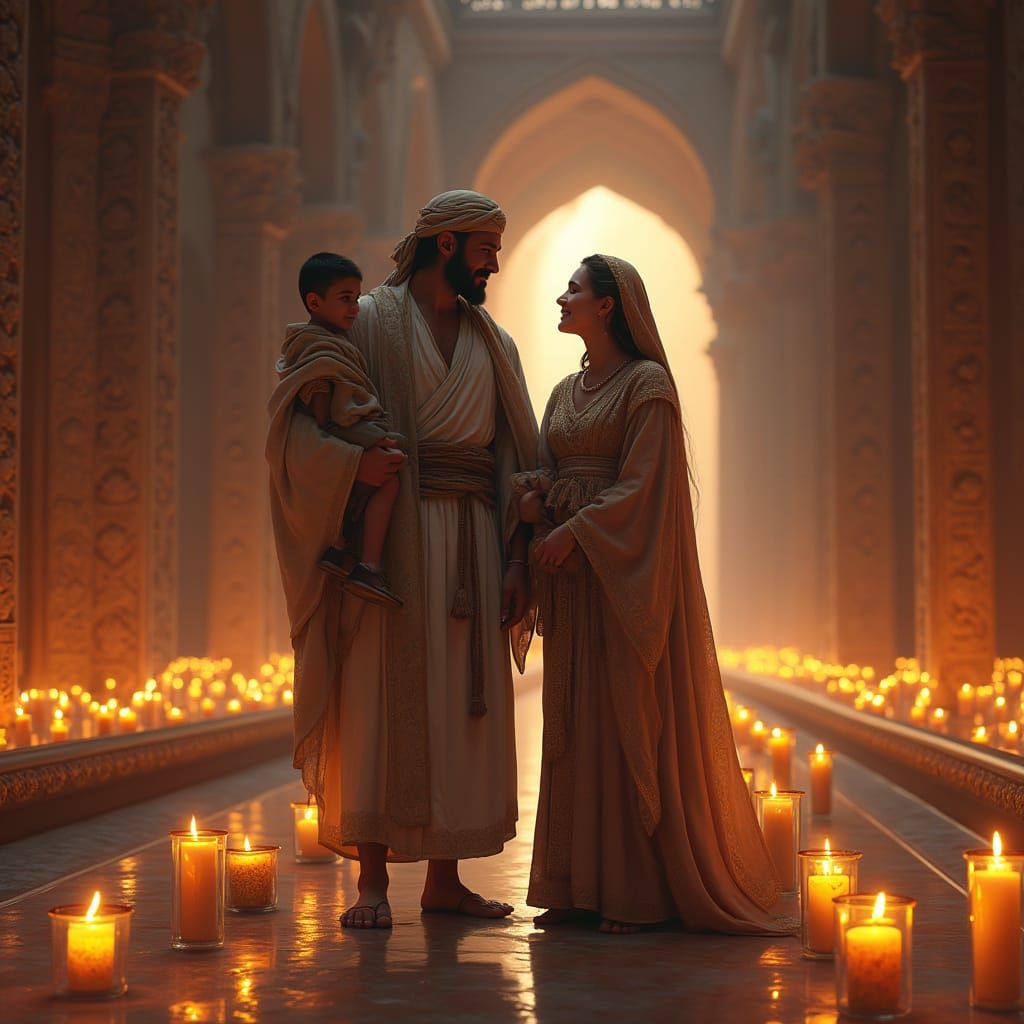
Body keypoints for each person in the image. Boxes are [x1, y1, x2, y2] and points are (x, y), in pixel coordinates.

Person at [283, 190, 539, 930]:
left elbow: (510, 458)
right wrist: (348, 470)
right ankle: (370, 881)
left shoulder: (497, 344)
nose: (495, 263)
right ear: (448, 245)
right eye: (486, 249)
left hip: (471, 551)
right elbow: (301, 422)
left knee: (461, 708)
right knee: (376, 701)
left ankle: (446, 881)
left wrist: (516, 561)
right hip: (387, 549)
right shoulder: (365, 323)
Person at [517, 255, 788, 935]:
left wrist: (577, 531)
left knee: (624, 718)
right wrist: (533, 506)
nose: (562, 297)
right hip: (574, 587)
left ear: (608, 306)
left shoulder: (648, 388)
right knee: (573, 724)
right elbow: (548, 468)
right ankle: (577, 884)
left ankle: (636, 891)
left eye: (574, 290)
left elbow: (646, 488)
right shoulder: (561, 392)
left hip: (621, 581)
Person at [279, 252, 406, 607]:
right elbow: (324, 419)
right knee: (391, 468)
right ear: (314, 302)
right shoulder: (314, 348)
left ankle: (341, 548)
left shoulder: (336, 343)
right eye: (345, 299)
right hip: (341, 433)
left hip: (350, 429)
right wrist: (359, 444)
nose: (354, 308)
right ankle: (367, 563)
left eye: (356, 298)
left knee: (379, 471)